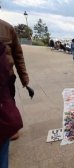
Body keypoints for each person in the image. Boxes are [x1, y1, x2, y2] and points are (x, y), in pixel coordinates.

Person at [0, 19, 32, 168]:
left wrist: (24, 80)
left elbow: (18, 55)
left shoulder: (7, 28)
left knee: (8, 107)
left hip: (6, 80)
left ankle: (9, 130)